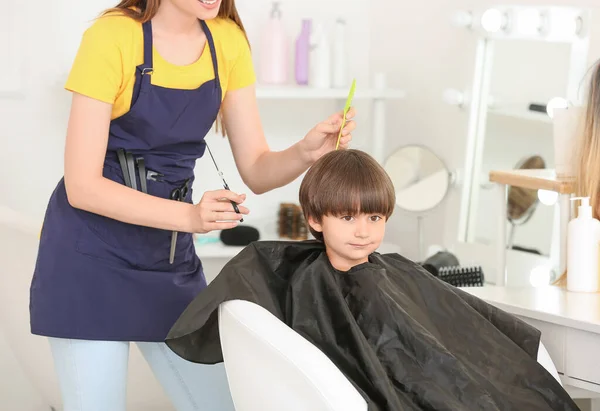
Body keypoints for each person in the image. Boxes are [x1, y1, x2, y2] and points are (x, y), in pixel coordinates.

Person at [29, 0, 356, 409]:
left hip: (168, 261)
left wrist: (305, 153)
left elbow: (256, 169)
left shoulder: (228, 42)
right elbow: (83, 187)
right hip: (89, 257)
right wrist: (188, 216)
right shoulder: (112, 37)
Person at [166, 149, 578, 411]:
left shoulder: (396, 271)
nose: (363, 231)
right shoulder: (315, 285)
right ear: (314, 219)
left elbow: (456, 336)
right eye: (347, 217)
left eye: (375, 217)